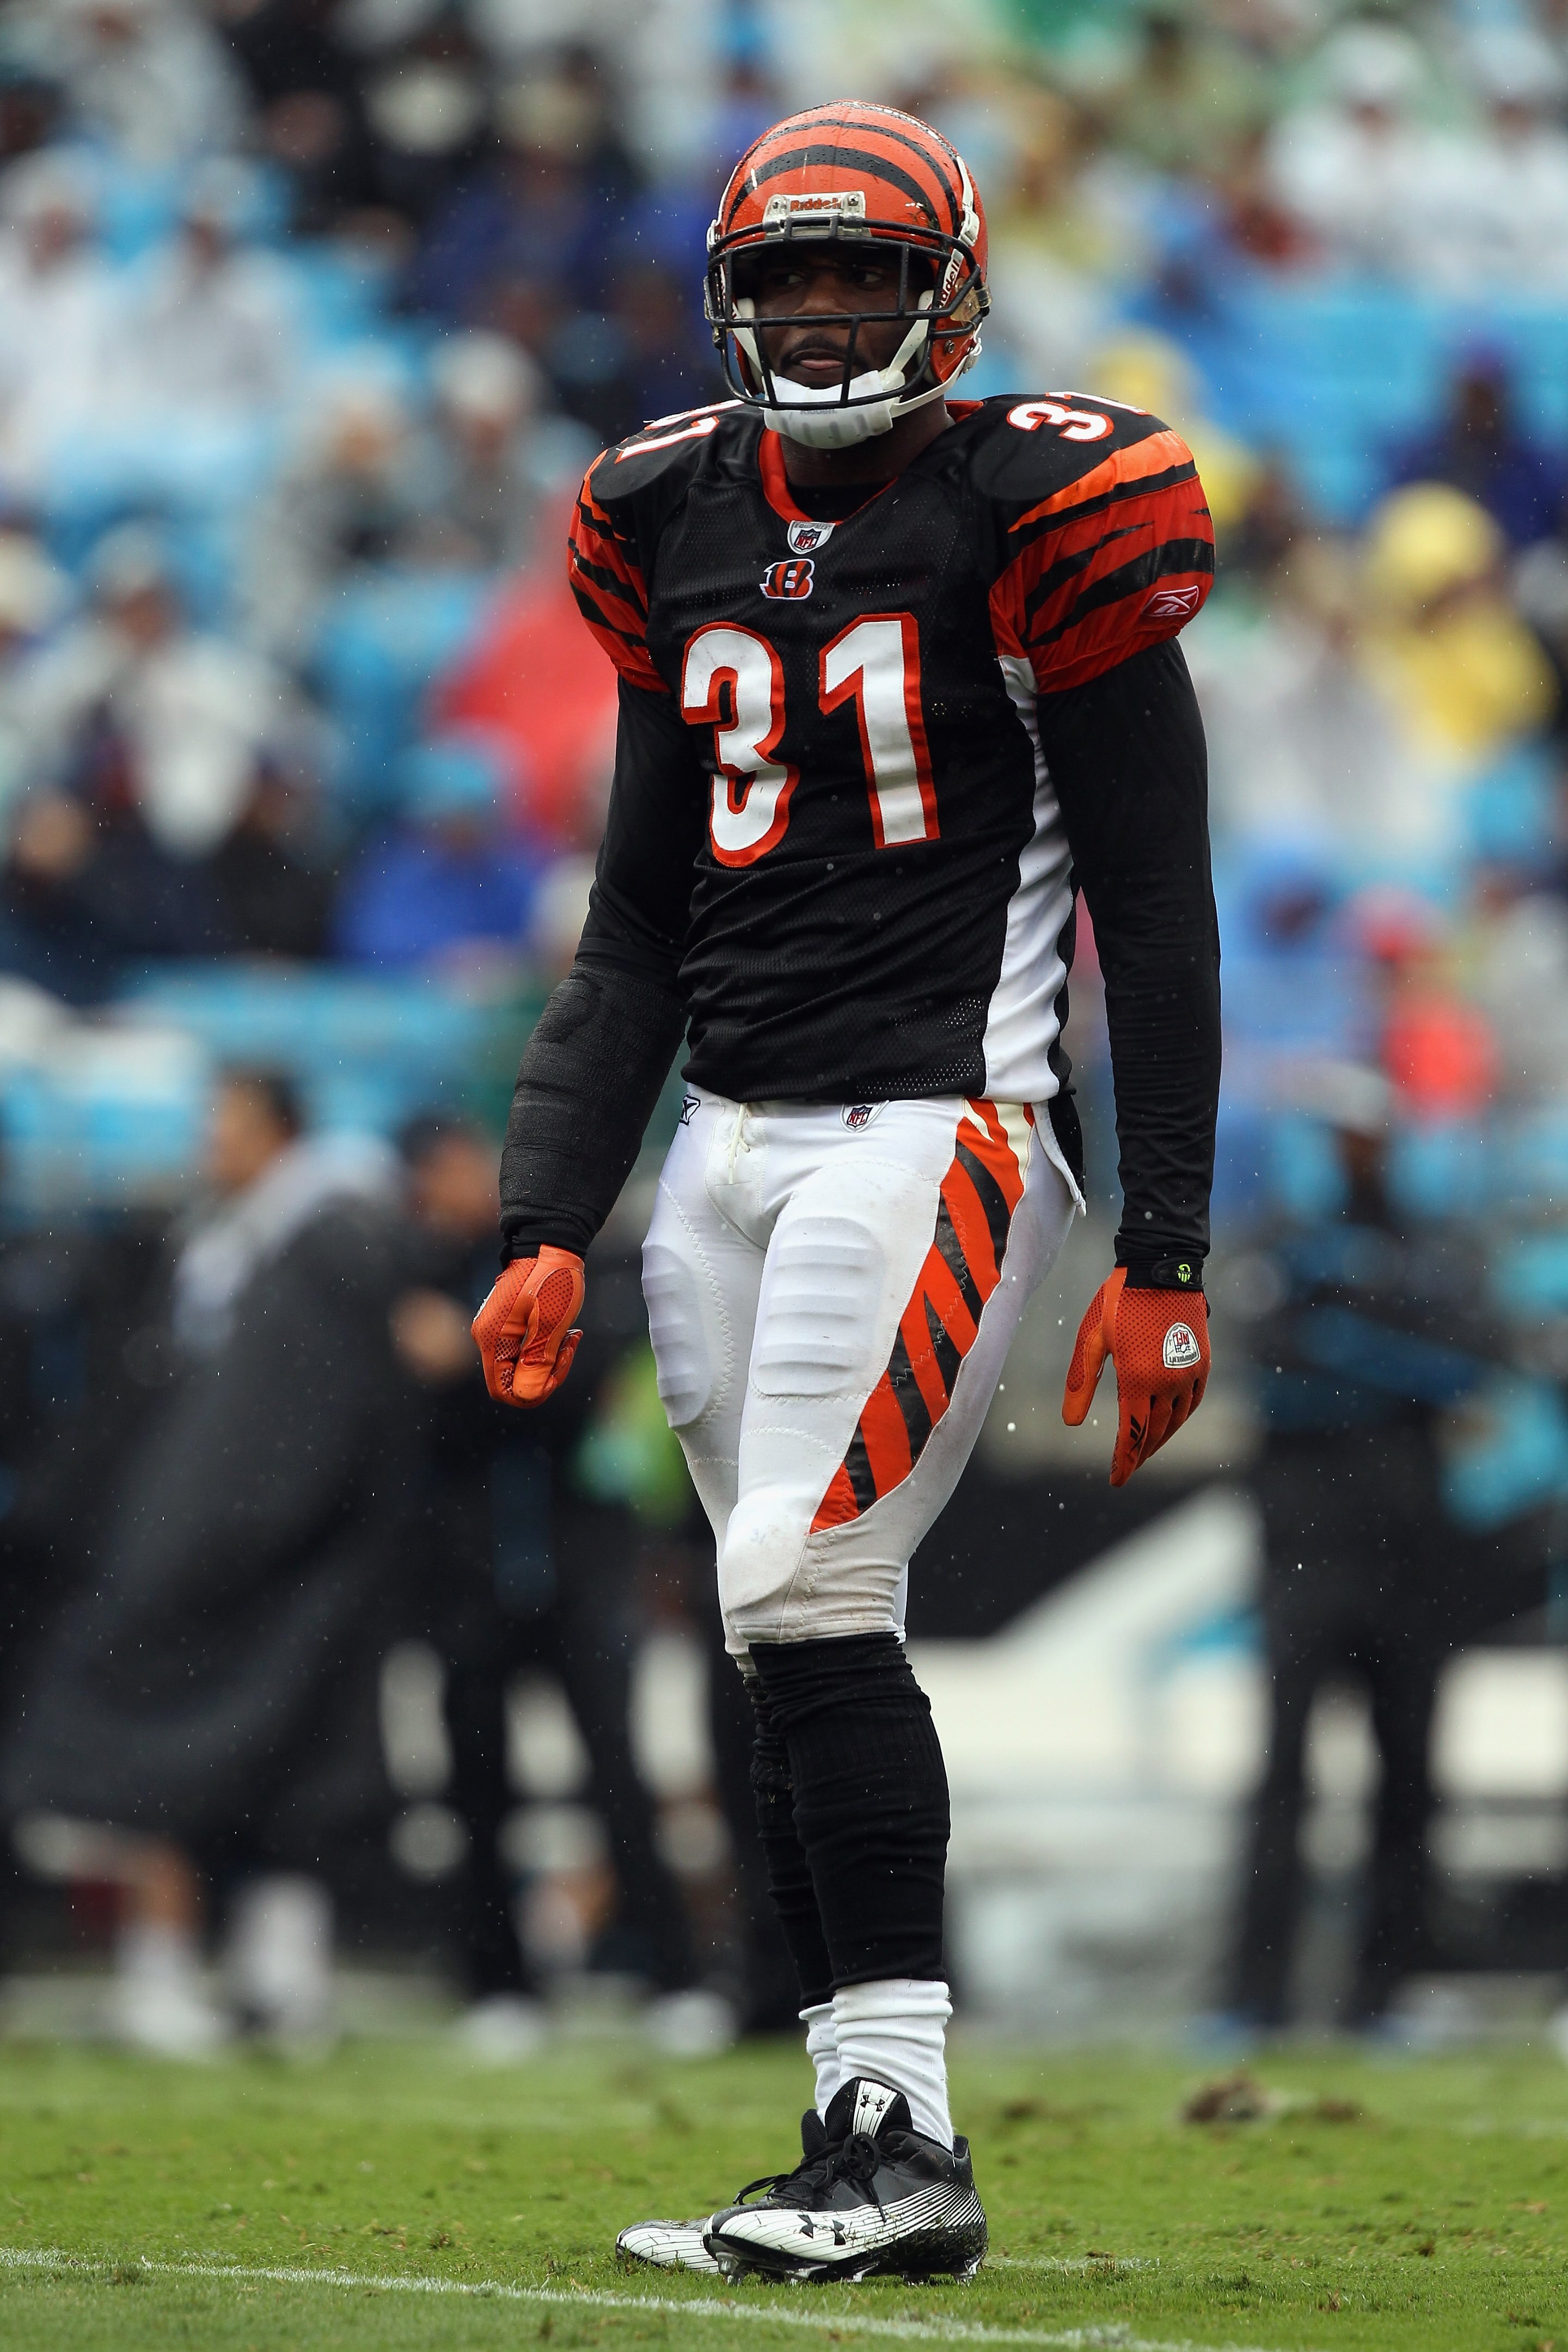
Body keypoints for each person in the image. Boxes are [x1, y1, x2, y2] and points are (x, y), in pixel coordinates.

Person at [471, 102, 1220, 2285]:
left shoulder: (1036, 510)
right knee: (783, 1623)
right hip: (725, 1146)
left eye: (857, 273)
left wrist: (1167, 1242)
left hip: (939, 1124)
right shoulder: (666, 515)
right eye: (782, 276)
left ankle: (902, 2145)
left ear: (945, 293)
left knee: (804, 1588)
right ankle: (853, 2134)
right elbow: (635, 920)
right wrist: (547, 1209)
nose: (816, 313)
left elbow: (1157, 913)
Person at [1, 1068, 407, 2054]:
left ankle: (278, 1980)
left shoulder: (327, 1241)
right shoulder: (220, 1244)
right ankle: (178, 1972)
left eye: (224, 1126)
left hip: (278, 1555)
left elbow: (321, 1420)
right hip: (216, 1550)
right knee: (190, 1767)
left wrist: (224, 1531)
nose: (207, 1146)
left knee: (285, 1764)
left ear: (279, 1131)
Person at [393, 1114, 711, 2053]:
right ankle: (497, 1983)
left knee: (617, 1771)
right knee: (477, 1782)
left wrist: (473, 1360)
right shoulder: (417, 1271)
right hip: (470, 1577)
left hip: (576, 1567)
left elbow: (575, 1384)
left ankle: (673, 1973)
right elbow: (422, 1419)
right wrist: (492, 1368)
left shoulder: (576, 1258)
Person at [1221, 1063, 1497, 2031]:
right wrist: (1391, 1363)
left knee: (1411, 1777)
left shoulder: (1427, 1248)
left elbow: (1470, 1370)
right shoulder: (1284, 1247)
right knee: (1282, 1776)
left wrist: (1346, 1336)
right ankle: (1255, 1999)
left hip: (1413, 1553)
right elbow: (1275, 1376)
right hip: (1305, 1545)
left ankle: (1385, 1996)